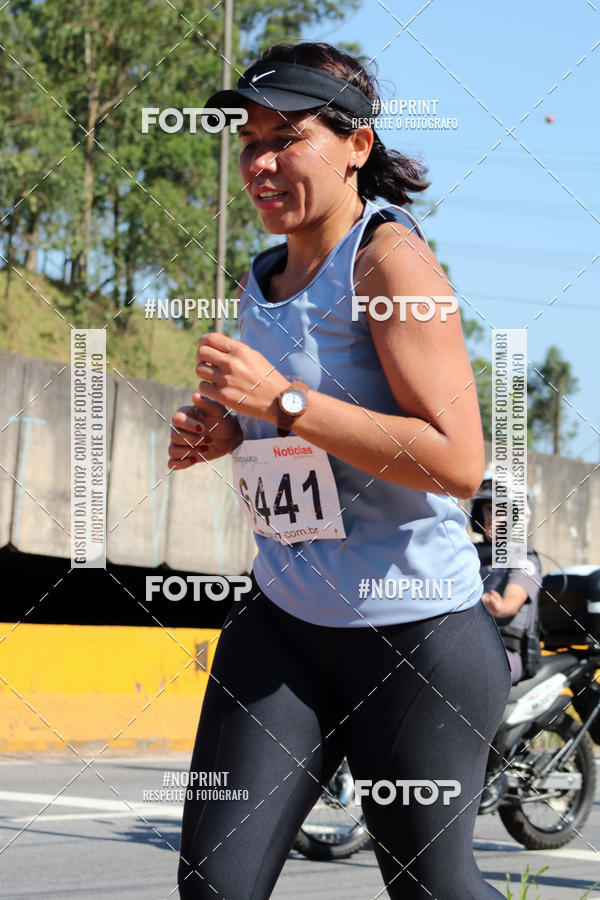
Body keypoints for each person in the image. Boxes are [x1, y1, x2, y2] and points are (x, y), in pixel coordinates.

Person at [168, 41, 511, 900]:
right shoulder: (265, 276)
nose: (262, 162)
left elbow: (458, 461)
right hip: (286, 620)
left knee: (433, 889)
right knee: (215, 885)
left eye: (288, 136)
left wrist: (283, 402)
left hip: (414, 637)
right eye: (250, 142)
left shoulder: (392, 264)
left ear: (357, 144)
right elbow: (302, 437)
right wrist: (233, 432)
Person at [470, 471, 542, 685]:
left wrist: (495, 605)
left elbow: (509, 604)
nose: (493, 516)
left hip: (506, 652)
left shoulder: (523, 558)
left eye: (501, 510)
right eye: (488, 508)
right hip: (471, 644)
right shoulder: (468, 555)